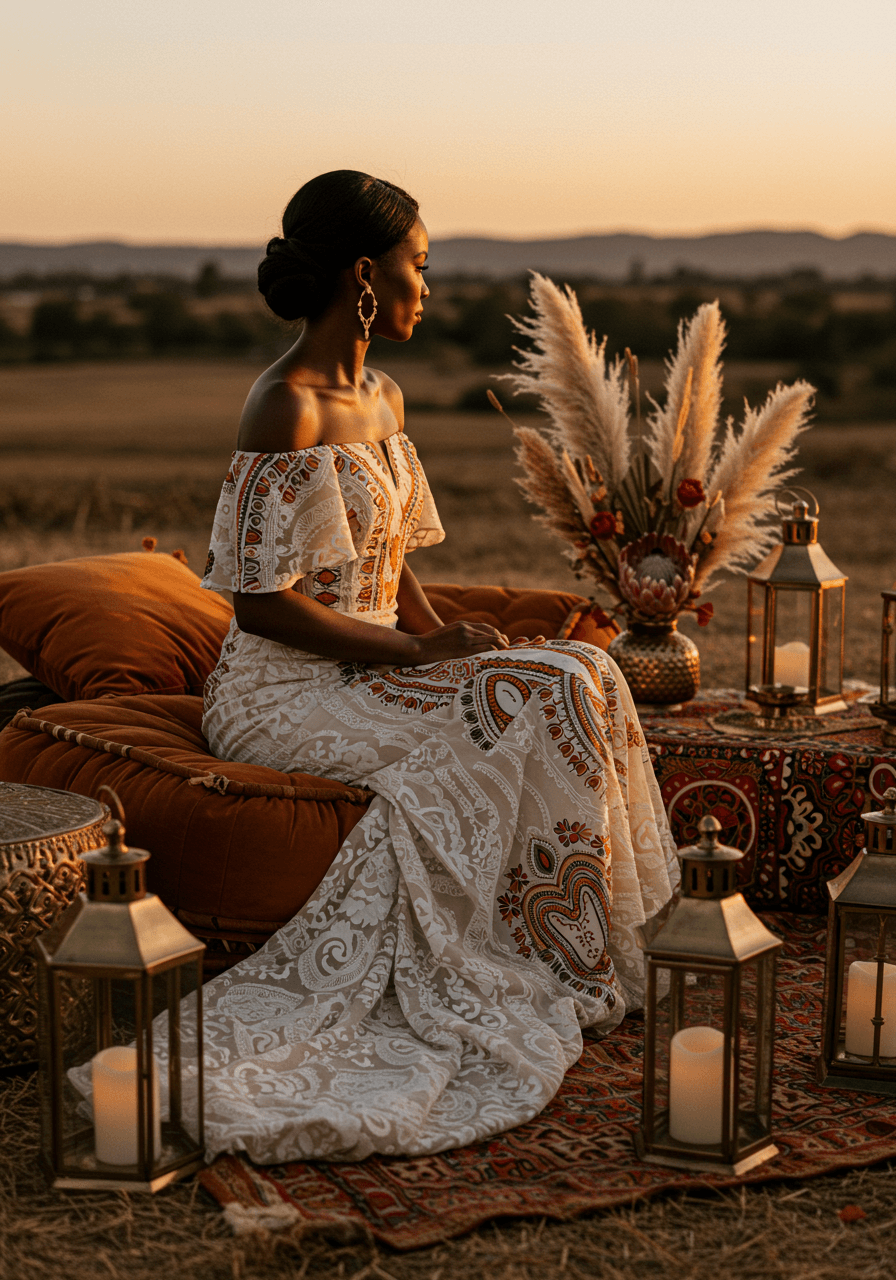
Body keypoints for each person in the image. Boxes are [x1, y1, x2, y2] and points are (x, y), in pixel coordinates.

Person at [181, 171, 678, 1163]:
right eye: (419, 263)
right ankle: (550, 957)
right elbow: (260, 603)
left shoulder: (383, 395)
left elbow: (391, 562)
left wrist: (449, 637)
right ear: (366, 277)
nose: (428, 283)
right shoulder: (284, 406)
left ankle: (594, 943)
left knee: (582, 670)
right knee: (543, 686)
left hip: (375, 663)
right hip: (283, 688)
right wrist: (418, 652)